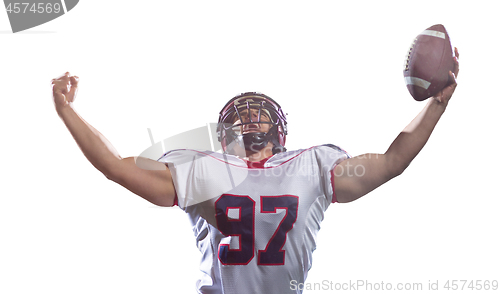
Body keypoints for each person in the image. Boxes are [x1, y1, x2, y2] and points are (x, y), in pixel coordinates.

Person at [51, 48, 459, 294]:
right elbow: (115, 168)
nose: (250, 120)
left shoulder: (313, 164)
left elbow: (392, 163)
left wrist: (435, 105)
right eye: (241, 116)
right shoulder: (201, 167)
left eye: (258, 114)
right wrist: (68, 112)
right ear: (224, 134)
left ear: (278, 129)